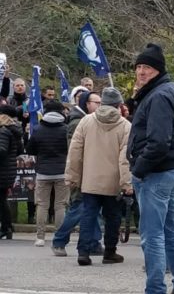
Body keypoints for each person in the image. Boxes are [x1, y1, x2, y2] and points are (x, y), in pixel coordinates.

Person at [126, 44, 174, 294]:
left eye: (147, 67)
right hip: (170, 170)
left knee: (151, 235)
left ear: (158, 70)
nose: (141, 71)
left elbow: (158, 142)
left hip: (157, 172)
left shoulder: (158, 97)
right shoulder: (163, 92)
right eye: (139, 67)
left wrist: (139, 169)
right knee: (168, 232)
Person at [66, 87, 132, 266]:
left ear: (102, 103)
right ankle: (110, 252)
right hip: (113, 181)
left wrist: (72, 176)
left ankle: (83, 252)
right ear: (119, 104)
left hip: (90, 179)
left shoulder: (86, 121)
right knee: (113, 217)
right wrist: (127, 183)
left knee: (88, 215)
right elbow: (125, 158)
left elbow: (75, 151)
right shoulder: (125, 126)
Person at [51, 91, 103, 256]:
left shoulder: (90, 120)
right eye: (97, 103)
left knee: (93, 208)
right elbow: (76, 152)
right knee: (79, 208)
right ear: (87, 103)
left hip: (92, 171)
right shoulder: (77, 122)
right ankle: (59, 240)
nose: (100, 106)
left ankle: (94, 243)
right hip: (81, 173)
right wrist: (75, 175)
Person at [27, 100, 69, 247]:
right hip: (62, 171)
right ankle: (59, 235)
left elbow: (30, 150)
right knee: (60, 205)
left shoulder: (38, 129)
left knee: (42, 205)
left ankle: (40, 237)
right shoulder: (66, 129)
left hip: (43, 172)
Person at [0, 104, 24, 240]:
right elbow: (19, 150)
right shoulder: (13, 130)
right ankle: (7, 227)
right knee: (2, 199)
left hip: (2, 169)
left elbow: (1, 150)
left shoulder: (3, 131)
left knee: (1, 200)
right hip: (8, 169)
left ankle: (6, 227)